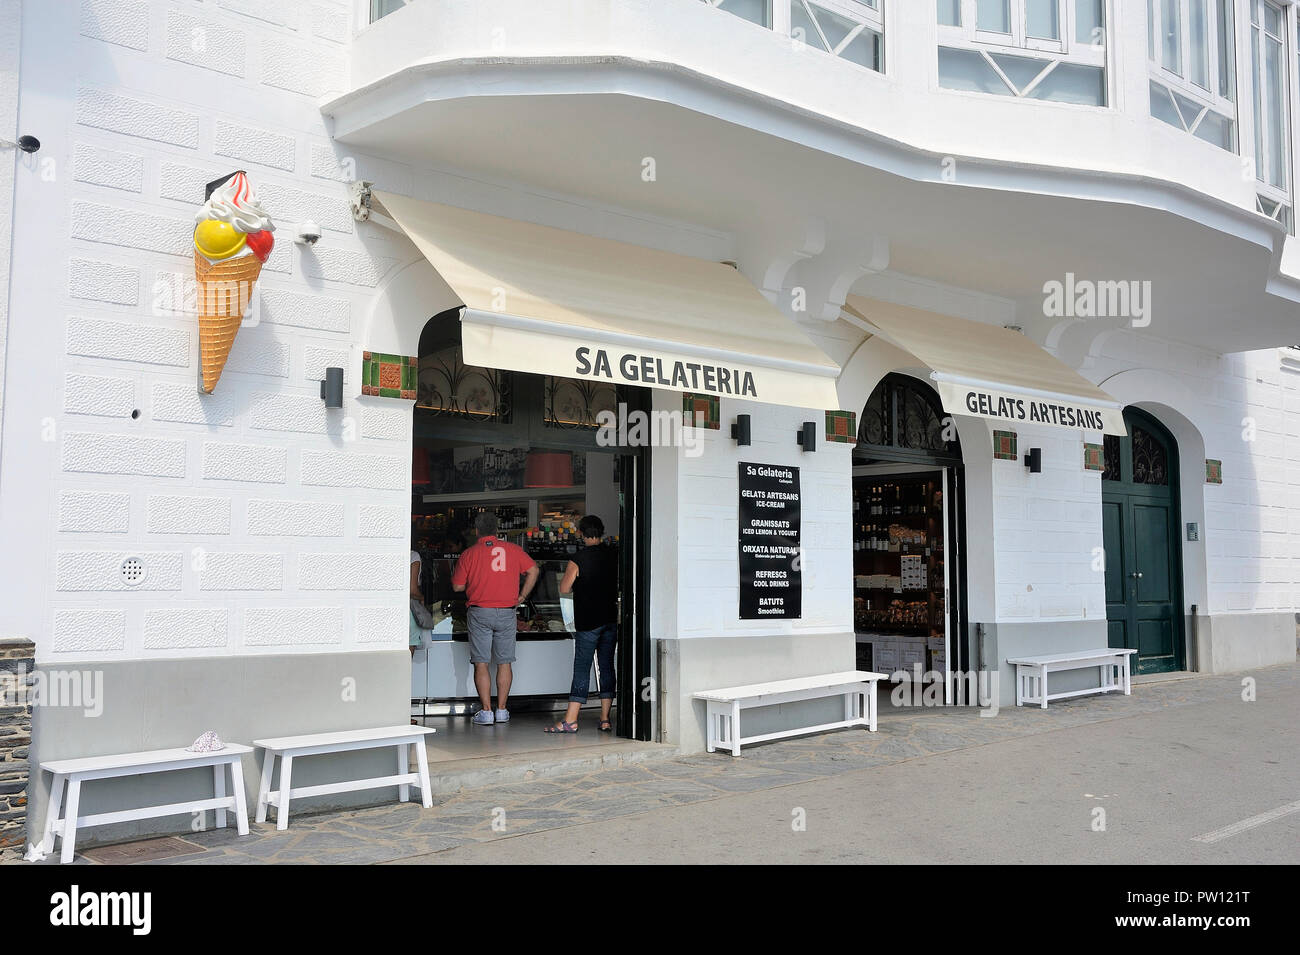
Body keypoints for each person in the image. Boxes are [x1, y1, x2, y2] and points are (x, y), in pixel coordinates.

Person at [452, 511, 540, 725]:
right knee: (504, 662)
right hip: (507, 611)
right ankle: (502, 710)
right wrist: (521, 596)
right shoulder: (513, 550)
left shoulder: (469, 554)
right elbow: (534, 570)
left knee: (481, 663)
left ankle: (486, 712)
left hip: (480, 611)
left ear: (476, 531)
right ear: (497, 530)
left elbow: (457, 586)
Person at [546, 515, 618, 734]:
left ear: (581, 533)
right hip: (610, 618)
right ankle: (605, 718)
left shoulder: (579, 558)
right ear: (601, 531)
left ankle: (570, 720)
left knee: (582, 668)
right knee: (606, 667)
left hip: (588, 621)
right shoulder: (614, 555)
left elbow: (565, 588)